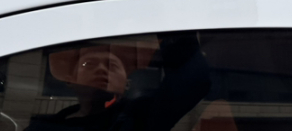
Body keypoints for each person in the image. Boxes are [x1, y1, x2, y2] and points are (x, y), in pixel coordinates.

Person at [28, 34, 211, 131]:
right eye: (89, 64)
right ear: (70, 80)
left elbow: (193, 81)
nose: (101, 69)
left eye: (112, 66)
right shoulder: (42, 127)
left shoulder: (141, 118)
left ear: (126, 84)